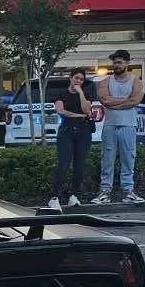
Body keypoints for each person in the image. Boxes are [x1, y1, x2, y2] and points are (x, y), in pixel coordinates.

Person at [96, 49, 144, 204]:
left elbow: (135, 101)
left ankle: (128, 191)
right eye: (115, 62)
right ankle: (105, 192)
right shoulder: (105, 82)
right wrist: (125, 101)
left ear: (127, 63)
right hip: (110, 126)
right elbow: (105, 101)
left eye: (120, 62)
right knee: (107, 159)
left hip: (128, 125)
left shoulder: (136, 81)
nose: (116, 65)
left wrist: (114, 102)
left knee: (128, 159)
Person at [46, 67, 93, 211]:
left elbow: (87, 110)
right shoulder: (61, 94)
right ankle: (54, 198)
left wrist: (80, 93)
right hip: (66, 131)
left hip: (83, 132)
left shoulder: (85, 94)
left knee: (80, 164)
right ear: (70, 78)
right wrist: (79, 116)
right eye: (76, 78)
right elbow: (61, 111)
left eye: (81, 79)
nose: (78, 81)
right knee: (64, 164)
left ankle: (74, 196)